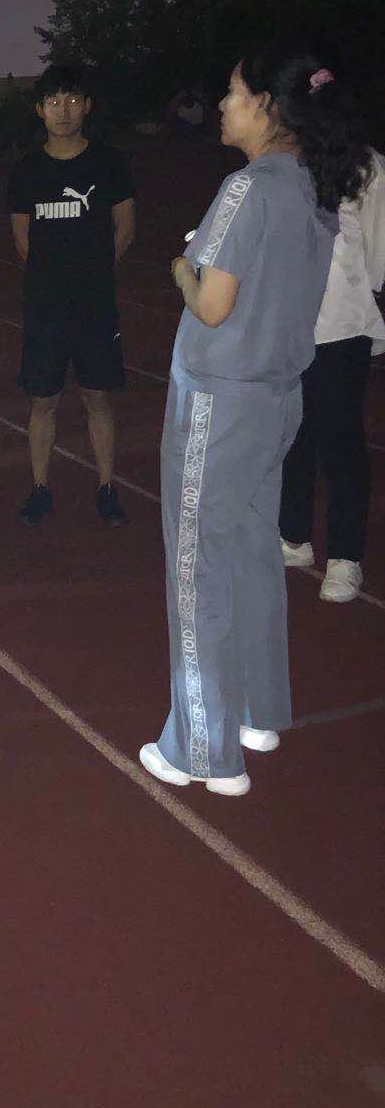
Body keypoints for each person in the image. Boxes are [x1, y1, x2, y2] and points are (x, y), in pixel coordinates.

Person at [140, 48, 363, 797]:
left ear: (266, 104)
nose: (221, 105)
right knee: (252, 554)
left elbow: (211, 303)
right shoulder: (316, 187)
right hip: (276, 397)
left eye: (232, 92)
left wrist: (182, 267)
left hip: (218, 400)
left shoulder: (248, 186)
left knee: (197, 565)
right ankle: (257, 714)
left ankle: (201, 750)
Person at [7, 64, 136, 527]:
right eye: (54, 102)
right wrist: (54, 277)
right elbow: (22, 238)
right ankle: (40, 488)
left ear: (87, 107)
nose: (64, 111)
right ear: (40, 110)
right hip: (45, 305)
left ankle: (107, 487)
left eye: (72, 101)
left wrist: (93, 274)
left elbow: (125, 228)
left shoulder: (108, 162)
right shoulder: (27, 168)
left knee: (97, 397)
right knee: (42, 400)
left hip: (94, 304)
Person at [279, 146, 385, 601]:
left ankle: (345, 556)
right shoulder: (279, 159)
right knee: (292, 435)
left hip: (341, 324)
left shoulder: (363, 165)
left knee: (340, 438)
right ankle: (293, 535)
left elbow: (378, 249)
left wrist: (357, 291)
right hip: (288, 324)